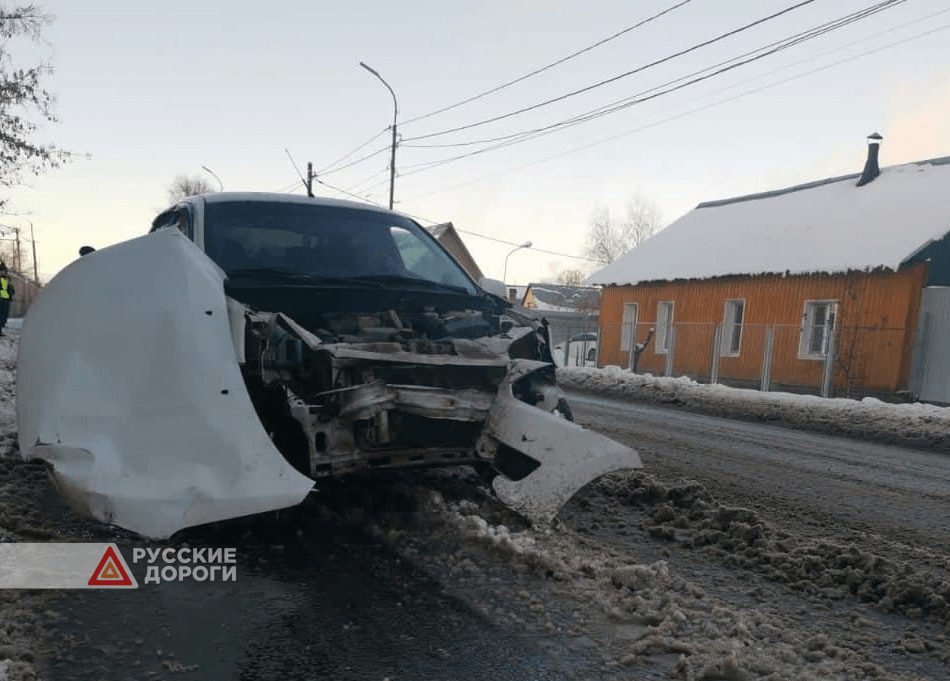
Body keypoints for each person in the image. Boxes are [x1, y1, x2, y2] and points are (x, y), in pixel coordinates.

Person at [0, 262, 15, 337]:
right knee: (2, 314)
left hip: (4, 298)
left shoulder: (5, 280)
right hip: (3, 298)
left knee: (3, 314)